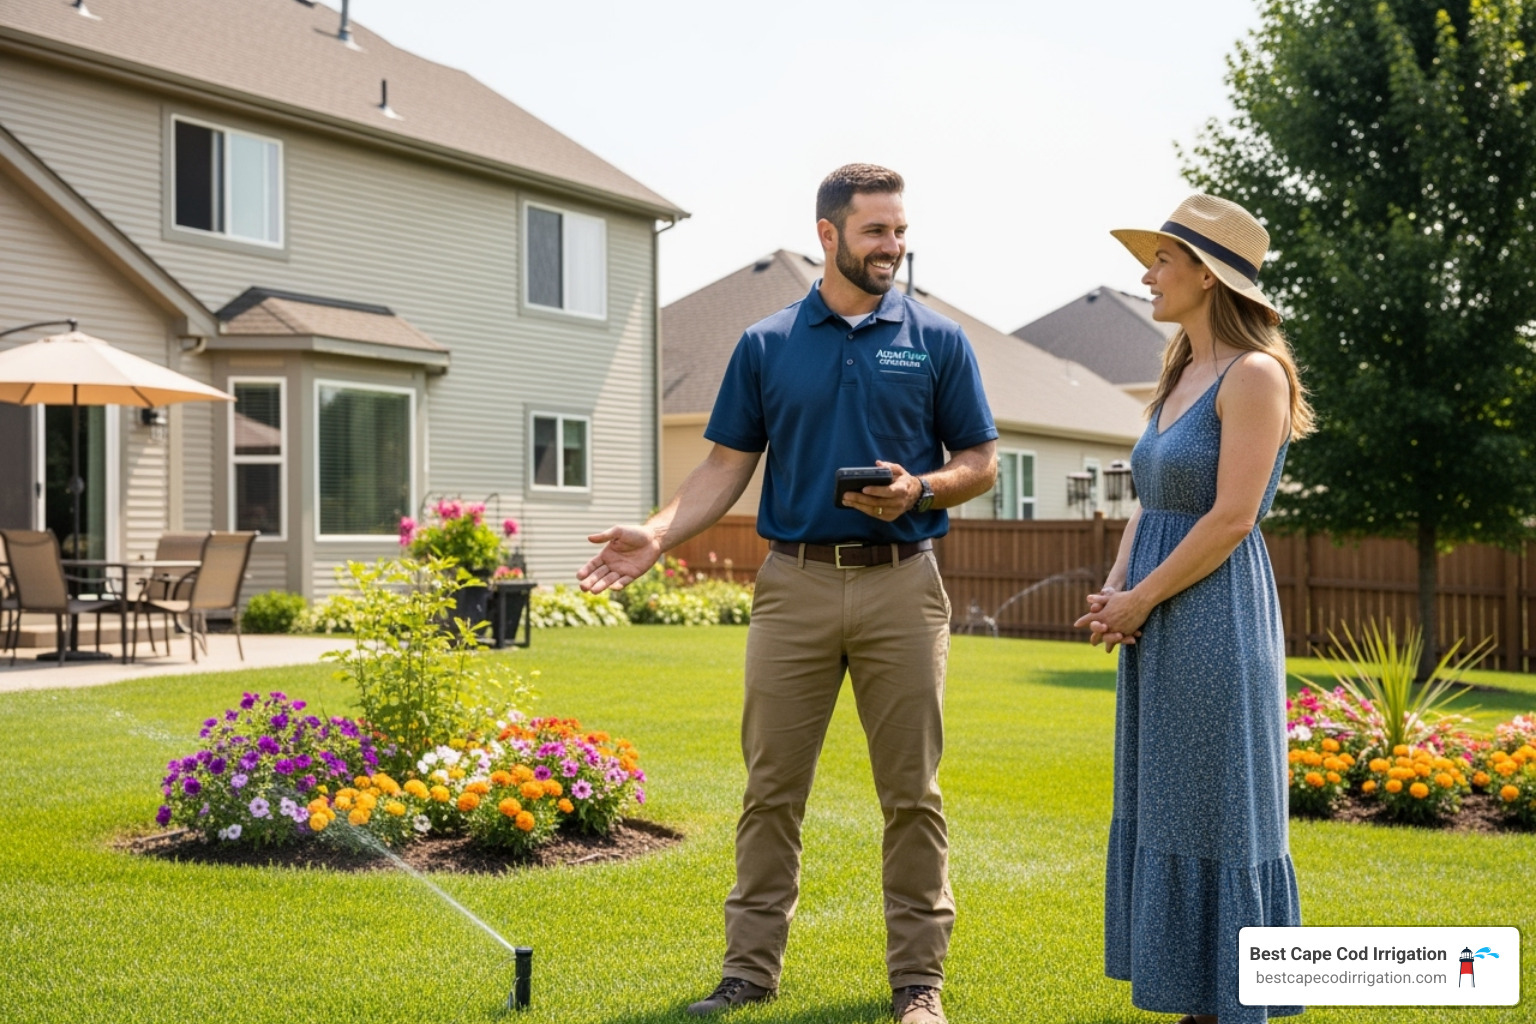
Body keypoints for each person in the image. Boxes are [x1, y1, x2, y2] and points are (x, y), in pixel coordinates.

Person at [577, 163, 997, 1024]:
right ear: (829, 234)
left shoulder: (938, 339)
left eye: (901, 230)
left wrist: (919, 489)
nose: (894, 246)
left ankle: (919, 984)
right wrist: (658, 534)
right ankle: (748, 973)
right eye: (877, 230)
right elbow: (725, 465)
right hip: (793, 585)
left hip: (902, 587)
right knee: (771, 790)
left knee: (912, 794)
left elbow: (980, 464)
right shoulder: (767, 343)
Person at [1075, 194, 1314, 1024]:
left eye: (1163, 261)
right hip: (1158, 612)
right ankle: (1194, 997)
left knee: (1215, 805)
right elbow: (1151, 496)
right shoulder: (1181, 371)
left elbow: (1231, 518)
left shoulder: (1254, 376)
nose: (1147, 275)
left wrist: (1142, 595)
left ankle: (1231, 1000)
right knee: (1168, 799)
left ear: (1207, 277)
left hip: (1213, 616)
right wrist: (1118, 592)